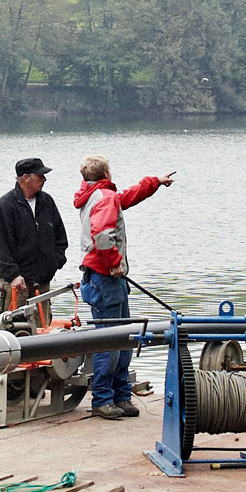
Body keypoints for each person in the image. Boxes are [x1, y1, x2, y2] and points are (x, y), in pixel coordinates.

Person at [73, 154, 175, 419]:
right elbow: (102, 235)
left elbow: (127, 197)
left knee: (124, 338)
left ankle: (121, 395)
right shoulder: (104, 197)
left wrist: (154, 182)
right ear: (106, 173)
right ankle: (103, 399)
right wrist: (115, 263)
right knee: (110, 341)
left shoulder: (97, 195)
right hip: (105, 278)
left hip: (103, 279)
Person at [0, 156, 69, 323]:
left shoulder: (47, 202)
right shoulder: (5, 205)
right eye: (40, 176)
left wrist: (54, 264)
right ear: (25, 177)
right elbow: (1, 247)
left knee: (42, 326)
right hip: (16, 285)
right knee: (16, 329)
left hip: (42, 283)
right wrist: (13, 276)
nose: (44, 179)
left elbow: (61, 237)